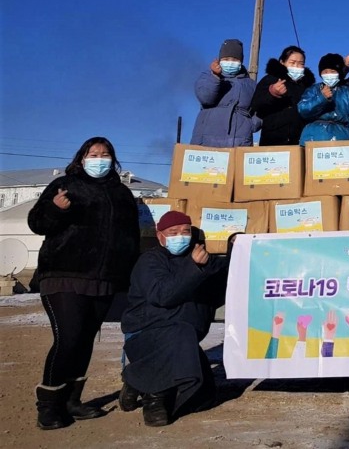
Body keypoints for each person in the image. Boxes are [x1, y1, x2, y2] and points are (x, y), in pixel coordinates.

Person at [27, 137, 140, 430]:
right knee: (69, 338)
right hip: (63, 275)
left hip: (104, 279)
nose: (99, 158)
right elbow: (37, 223)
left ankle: (71, 401)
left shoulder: (122, 194)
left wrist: (128, 277)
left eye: (105, 154)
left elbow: (130, 239)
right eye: (93, 154)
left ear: (113, 160)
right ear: (81, 158)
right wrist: (55, 208)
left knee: (85, 340)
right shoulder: (65, 186)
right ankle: (49, 406)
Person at [119, 211, 229, 427]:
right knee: (179, 332)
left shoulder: (201, 258)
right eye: (173, 232)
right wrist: (194, 268)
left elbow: (226, 275)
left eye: (185, 232)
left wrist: (236, 246)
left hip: (183, 339)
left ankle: (136, 379)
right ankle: (155, 398)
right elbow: (164, 295)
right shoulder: (150, 261)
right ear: (160, 236)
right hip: (147, 335)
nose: (181, 236)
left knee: (204, 397)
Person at [191, 39, 262, 147]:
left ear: (241, 61)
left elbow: (260, 110)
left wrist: (251, 125)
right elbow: (205, 97)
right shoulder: (207, 76)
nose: (230, 62)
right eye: (226, 59)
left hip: (239, 143)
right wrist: (215, 76)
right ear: (220, 60)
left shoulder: (251, 85)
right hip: (206, 143)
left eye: (235, 59)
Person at [250, 45, 315, 146]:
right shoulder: (270, 79)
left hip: (300, 141)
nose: (296, 67)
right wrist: (272, 93)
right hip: (273, 141)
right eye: (292, 63)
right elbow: (256, 104)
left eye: (301, 64)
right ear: (282, 62)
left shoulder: (307, 87)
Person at [298, 53, 349, 143]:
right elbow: (303, 110)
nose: (328, 74)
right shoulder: (313, 90)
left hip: (340, 139)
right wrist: (321, 98)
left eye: (333, 71)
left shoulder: (347, 93)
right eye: (325, 72)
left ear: (339, 73)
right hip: (312, 138)